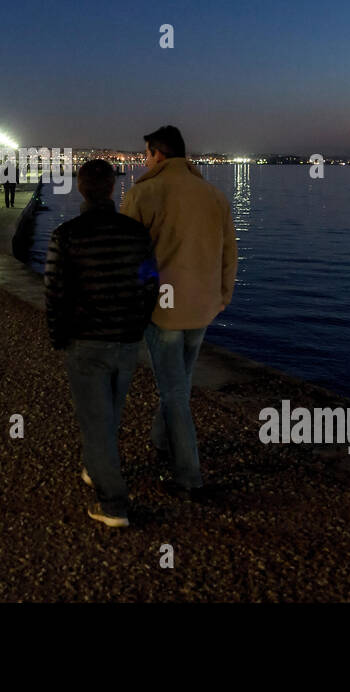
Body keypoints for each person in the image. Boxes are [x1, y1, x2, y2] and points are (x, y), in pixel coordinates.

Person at [120, 125, 237, 498]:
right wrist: (222, 296)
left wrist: (136, 299)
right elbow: (229, 253)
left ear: (156, 154)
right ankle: (162, 441)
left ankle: (189, 477)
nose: (143, 160)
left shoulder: (144, 193)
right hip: (203, 304)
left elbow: (129, 255)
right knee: (179, 382)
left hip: (163, 306)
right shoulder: (214, 195)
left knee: (173, 392)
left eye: (146, 154)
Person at [45, 159, 159, 528]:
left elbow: (55, 292)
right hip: (125, 339)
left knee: (95, 419)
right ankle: (97, 468)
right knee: (109, 413)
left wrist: (58, 334)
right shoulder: (137, 234)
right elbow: (150, 284)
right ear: (112, 188)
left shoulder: (66, 235)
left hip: (86, 340)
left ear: (80, 188)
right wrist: (137, 324)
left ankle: (113, 504)